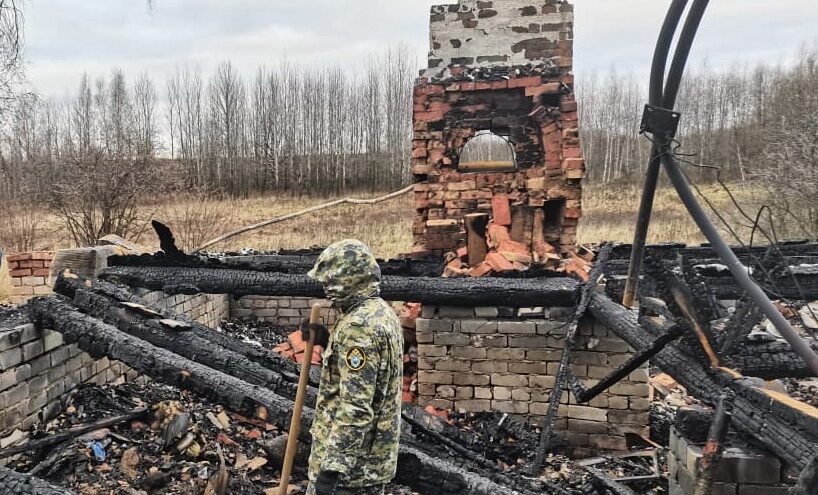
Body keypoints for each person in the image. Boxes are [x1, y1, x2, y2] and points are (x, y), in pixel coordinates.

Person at [303, 239, 403, 495]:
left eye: (330, 281)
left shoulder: (358, 328)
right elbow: (369, 374)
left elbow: (355, 406)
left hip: (351, 473)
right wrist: (326, 340)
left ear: (348, 280)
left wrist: (332, 470)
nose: (325, 288)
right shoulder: (380, 312)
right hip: (370, 462)